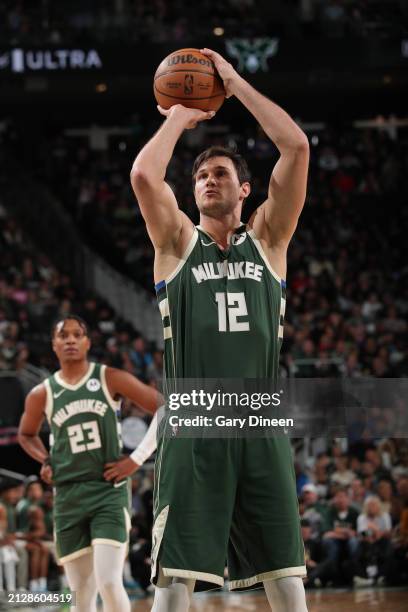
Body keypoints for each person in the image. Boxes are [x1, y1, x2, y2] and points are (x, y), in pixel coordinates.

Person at [131, 48, 310, 611]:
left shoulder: (270, 242)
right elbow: (143, 174)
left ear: (245, 190)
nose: (209, 181)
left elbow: (297, 147)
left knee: (287, 579)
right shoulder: (177, 244)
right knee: (176, 582)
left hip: (260, 424)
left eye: (220, 173)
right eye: (201, 176)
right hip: (197, 424)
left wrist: (233, 83)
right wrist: (180, 116)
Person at [18, 315, 162, 612]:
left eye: (77, 334)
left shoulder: (110, 377)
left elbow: (166, 409)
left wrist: (135, 460)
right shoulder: (42, 393)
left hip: (107, 490)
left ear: (87, 342)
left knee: (109, 582)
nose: (70, 339)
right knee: (80, 594)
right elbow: (26, 434)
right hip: (68, 496)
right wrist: (45, 459)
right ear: (54, 345)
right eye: (63, 335)